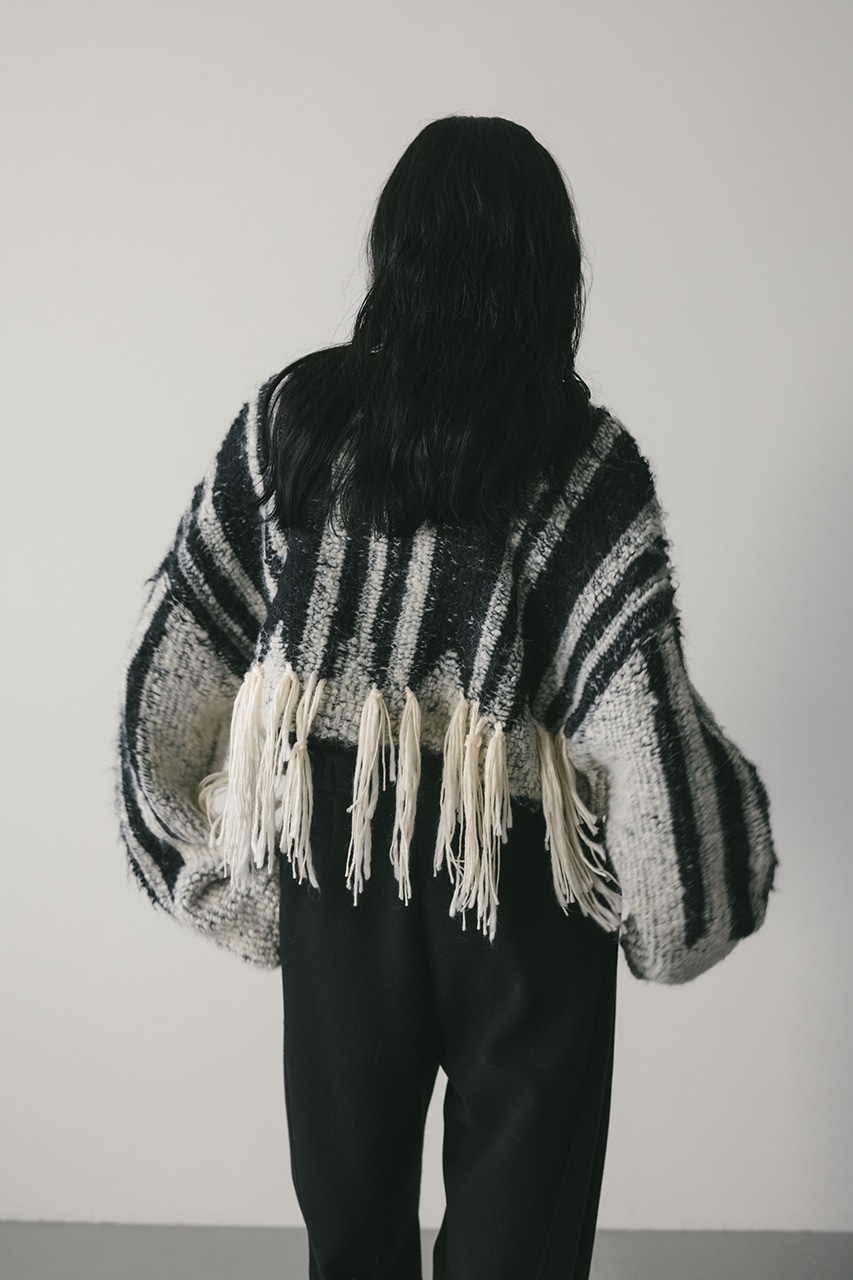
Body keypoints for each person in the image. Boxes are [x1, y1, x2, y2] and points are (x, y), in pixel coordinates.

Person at [118, 116, 776, 1280]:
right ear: (550, 266)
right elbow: (639, 710)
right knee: (523, 1239)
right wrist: (690, 895)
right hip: (523, 883)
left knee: (351, 1231)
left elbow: (180, 650)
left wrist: (219, 871)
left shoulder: (297, 423)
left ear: (396, 250)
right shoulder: (583, 456)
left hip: (337, 861)